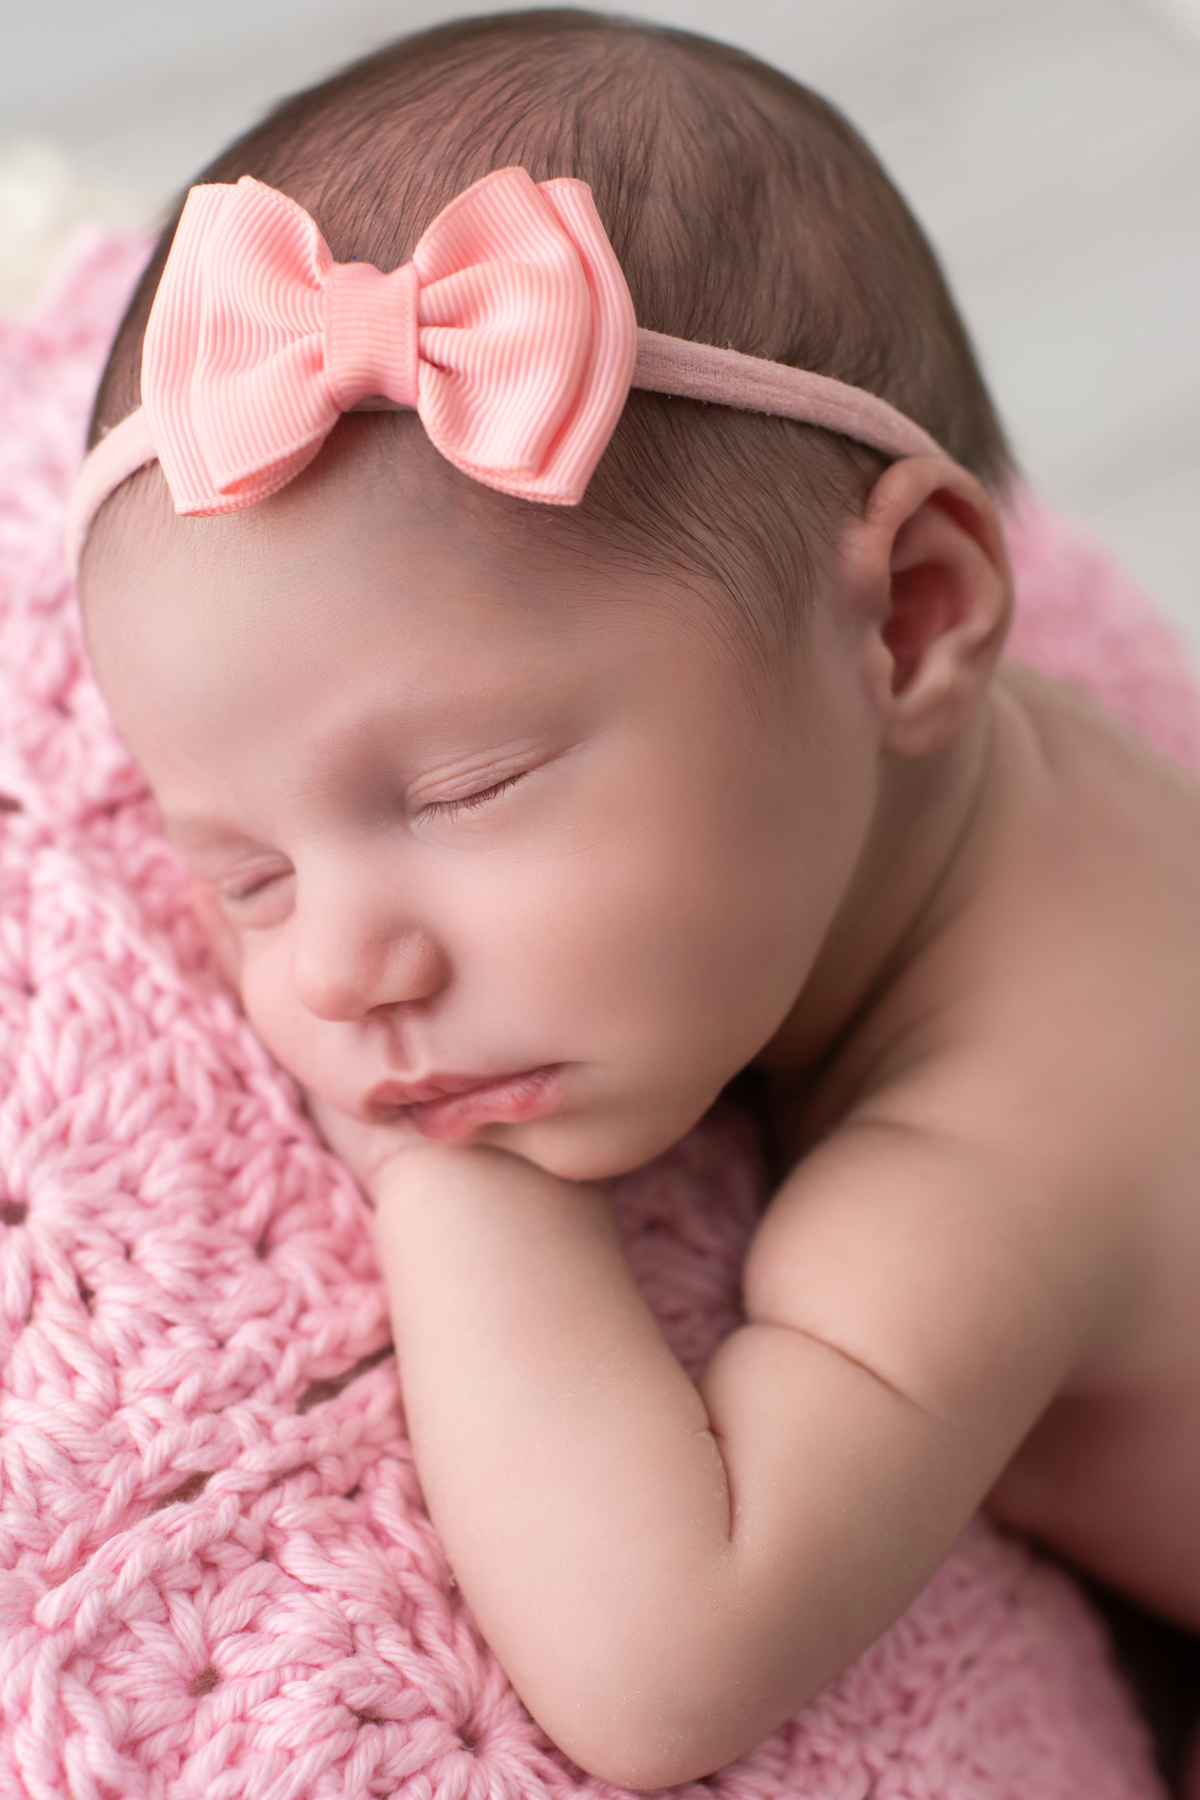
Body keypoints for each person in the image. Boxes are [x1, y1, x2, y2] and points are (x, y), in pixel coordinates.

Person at [67, 10, 1200, 1789]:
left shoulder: (992, 1155)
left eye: (465, 791)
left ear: (912, 615)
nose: (347, 965)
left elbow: (661, 1659)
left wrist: (443, 1177)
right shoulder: (916, 780)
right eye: (250, 873)